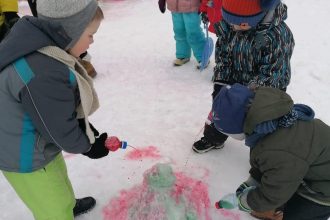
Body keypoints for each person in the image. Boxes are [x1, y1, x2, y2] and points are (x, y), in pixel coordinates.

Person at [0, 0, 112, 219]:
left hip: (36, 140)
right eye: (90, 34)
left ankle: (65, 205)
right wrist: (88, 146)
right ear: (71, 31)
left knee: (57, 176)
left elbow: (56, 111)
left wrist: (82, 126)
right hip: (24, 156)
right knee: (51, 206)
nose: (92, 41)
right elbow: (59, 129)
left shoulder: (43, 48)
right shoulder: (43, 70)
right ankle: (59, 211)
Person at [212, 83, 330, 220]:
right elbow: (270, 164)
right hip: (304, 168)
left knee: (297, 214)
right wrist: (253, 181)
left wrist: (246, 202)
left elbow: (274, 191)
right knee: (280, 188)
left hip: (324, 188)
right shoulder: (267, 121)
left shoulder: (280, 148)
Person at [192, 0, 295, 153]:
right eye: (230, 21)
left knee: (261, 124)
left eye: (241, 24)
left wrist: (250, 92)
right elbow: (223, 57)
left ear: (258, 16)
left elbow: (275, 71)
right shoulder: (230, 26)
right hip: (235, 80)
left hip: (266, 90)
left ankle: (264, 155)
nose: (234, 27)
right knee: (221, 112)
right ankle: (214, 138)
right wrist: (221, 81)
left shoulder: (277, 35)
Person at [159, 0, 207, 68]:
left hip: (192, 7)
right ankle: (183, 55)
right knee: (179, 31)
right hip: (174, 6)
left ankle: (203, 56)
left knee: (193, 32)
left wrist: (205, 4)